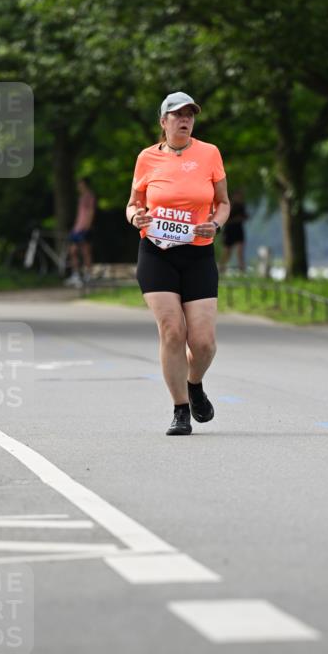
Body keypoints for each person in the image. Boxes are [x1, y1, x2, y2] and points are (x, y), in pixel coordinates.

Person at [126, 91, 230, 436]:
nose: (185, 120)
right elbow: (133, 203)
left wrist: (215, 224)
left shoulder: (210, 153)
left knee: (203, 343)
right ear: (163, 121)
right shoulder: (147, 158)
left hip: (198, 253)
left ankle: (193, 383)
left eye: (190, 114)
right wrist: (135, 217)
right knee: (172, 330)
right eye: (177, 114)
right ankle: (180, 409)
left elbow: (223, 202)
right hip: (156, 253)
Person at [65, 177, 96, 287]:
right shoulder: (81, 197)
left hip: (84, 228)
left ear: (85, 184)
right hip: (77, 229)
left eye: (80, 184)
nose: (79, 186)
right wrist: (75, 227)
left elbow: (91, 212)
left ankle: (88, 275)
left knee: (85, 251)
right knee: (73, 251)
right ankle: (76, 275)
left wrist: (86, 227)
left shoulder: (89, 196)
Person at [220, 188, 248, 273]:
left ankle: (241, 268)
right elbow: (225, 219)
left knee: (240, 250)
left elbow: (244, 217)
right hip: (229, 230)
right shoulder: (228, 206)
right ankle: (221, 267)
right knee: (227, 251)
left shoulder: (241, 206)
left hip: (238, 230)